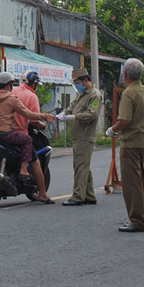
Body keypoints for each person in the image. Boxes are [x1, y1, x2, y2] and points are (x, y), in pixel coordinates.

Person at [0, 72, 55, 182]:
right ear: (8, 85)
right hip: (4, 134)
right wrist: (45, 116)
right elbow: (29, 115)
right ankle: (23, 170)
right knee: (27, 140)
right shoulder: (13, 98)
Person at [106, 58, 144, 232]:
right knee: (138, 181)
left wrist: (112, 129)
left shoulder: (129, 93)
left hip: (130, 142)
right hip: (142, 140)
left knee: (131, 183)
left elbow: (125, 119)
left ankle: (137, 220)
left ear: (124, 74)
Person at [58, 68, 103, 206]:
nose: (76, 85)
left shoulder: (94, 95)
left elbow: (92, 114)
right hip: (78, 136)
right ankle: (89, 195)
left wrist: (74, 117)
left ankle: (78, 196)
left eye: (77, 82)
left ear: (85, 80)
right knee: (83, 166)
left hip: (85, 136)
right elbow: (72, 107)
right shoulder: (81, 94)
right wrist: (64, 113)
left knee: (81, 167)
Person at [12, 71, 55, 204]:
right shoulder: (31, 96)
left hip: (0, 131)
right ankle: (42, 194)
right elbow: (34, 120)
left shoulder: (11, 91)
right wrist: (42, 125)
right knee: (35, 160)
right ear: (34, 84)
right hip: (20, 132)